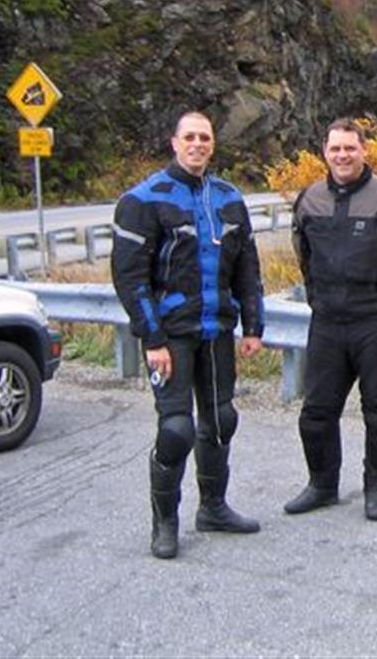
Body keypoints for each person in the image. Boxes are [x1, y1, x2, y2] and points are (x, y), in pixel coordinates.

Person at [111, 111, 265, 559]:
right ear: (174, 142)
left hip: (217, 331)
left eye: (205, 138)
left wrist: (253, 326)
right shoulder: (144, 199)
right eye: (190, 137)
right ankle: (165, 523)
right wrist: (152, 339)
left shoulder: (229, 198)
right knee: (177, 429)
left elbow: (248, 269)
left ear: (213, 145)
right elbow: (129, 277)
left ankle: (213, 508)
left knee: (221, 421)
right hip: (171, 336)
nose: (197, 144)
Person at [284, 118, 377, 521]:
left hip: (376, 319)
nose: (343, 155)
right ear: (325, 152)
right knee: (316, 411)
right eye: (335, 148)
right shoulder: (309, 200)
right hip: (328, 323)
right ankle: (321, 485)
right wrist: (320, 301)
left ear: (364, 150)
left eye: (350, 148)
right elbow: (304, 257)